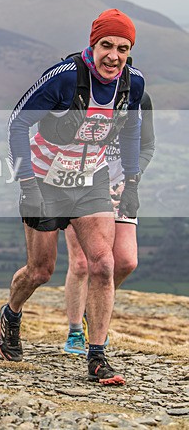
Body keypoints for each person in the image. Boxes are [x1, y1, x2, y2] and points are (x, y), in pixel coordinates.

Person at [4, 8, 145, 385]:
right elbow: (17, 121)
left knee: (103, 264)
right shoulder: (65, 77)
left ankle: (97, 356)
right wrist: (27, 184)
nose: (114, 56)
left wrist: (130, 184)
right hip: (45, 179)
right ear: (93, 44)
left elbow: (132, 132)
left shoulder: (133, 83)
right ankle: (12, 313)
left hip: (91, 180)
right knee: (40, 271)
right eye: (106, 45)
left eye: (123, 48)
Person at [63, 91, 155, 354]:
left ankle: (92, 311)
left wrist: (130, 179)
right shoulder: (82, 95)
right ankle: (75, 332)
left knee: (126, 261)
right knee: (81, 262)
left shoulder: (140, 99)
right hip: (81, 187)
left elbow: (147, 146)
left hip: (120, 189)